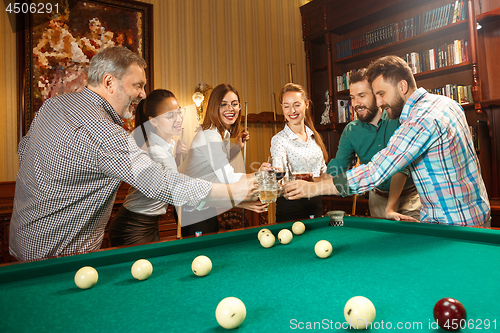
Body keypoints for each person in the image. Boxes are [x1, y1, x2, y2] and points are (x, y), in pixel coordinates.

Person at [9, 46, 257, 261]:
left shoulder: (54, 104)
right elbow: (158, 181)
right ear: (109, 82)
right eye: (138, 85)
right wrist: (232, 192)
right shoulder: (102, 130)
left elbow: (24, 150)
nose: (142, 94)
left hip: (23, 242)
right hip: (58, 256)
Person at [284, 55, 490, 227]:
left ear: (402, 86)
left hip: (453, 225)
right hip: (472, 214)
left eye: (381, 94)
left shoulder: (419, 121)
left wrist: (314, 188)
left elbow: (376, 170)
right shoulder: (447, 103)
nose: (380, 102)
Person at [327, 68, 421, 221]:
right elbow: (338, 167)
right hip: (376, 200)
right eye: (352, 97)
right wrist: (313, 184)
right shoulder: (351, 130)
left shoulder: (399, 119)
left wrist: (390, 208)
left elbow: (401, 167)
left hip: (410, 199)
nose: (356, 104)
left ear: (376, 95)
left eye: (362, 96)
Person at [181, 83, 267, 236]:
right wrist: (259, 176)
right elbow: (227, 177)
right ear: (215, 107)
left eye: (234, 104)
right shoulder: (210, 136)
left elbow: (217, 162)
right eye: (224, 105)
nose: (230, 109)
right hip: (193, 209)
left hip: (207, 203)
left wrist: (237, 147)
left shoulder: (222, 134)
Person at [108, 89, 187, 246]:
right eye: (170, 115)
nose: (178, 118)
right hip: (133, 226)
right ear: (154, 121)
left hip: (148, 223)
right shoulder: (155, 150)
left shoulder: (166, 144)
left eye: (179, 112)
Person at [270, 83, 328, 222]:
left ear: (306, 104)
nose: (292, 110)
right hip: (292, 207)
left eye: (296, 104)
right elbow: (279, 176)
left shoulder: (314, 136)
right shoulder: (279, 140)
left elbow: (323, 173)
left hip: (316, 204)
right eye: (286, 106)